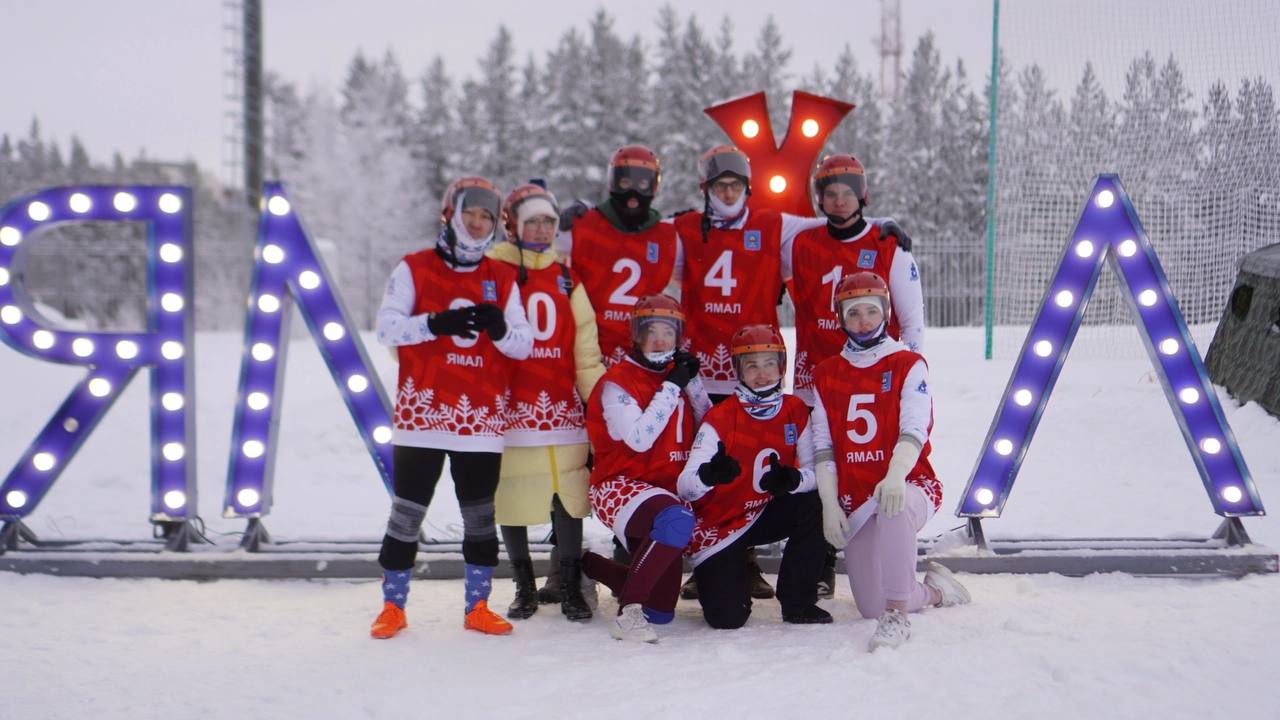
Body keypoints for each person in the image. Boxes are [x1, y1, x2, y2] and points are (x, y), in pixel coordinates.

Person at [369, 176, 533, 639]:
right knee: (406, 515)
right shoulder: (414, 267)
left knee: (480, 517)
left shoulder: (502, 276)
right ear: (451, 213)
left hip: (479, 420)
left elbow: (524, 345)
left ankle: (477, 607)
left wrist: (500, 328)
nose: (477, 223)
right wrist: (437, 323)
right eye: (470, 214)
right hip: (422, 418)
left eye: (486, 217)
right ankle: (392, 607)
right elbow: (387, 329)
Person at [786, 153, 925, 597]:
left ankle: (891, 544)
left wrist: (912, 371)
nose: (840, 201)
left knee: (870, 457)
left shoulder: (889, 244)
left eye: (848, 193)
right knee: (819, 461)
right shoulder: (803, 242)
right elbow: (767, 223)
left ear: (862, 195)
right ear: (820, 201)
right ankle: (823, 560)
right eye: (830, 194)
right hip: (819, 374)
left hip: (876, 373)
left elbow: (912, 318)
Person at [811, 272, 970, 651]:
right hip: (858, 496)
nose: (863, 321)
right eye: (853, 314)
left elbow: (914, 428)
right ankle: (934, 591)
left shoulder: (907, 362)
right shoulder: (826, 372)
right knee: (869, 606)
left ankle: (897, 615)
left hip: (910, 483)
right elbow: (823, 445)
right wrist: (830, 503)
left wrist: (896, 474)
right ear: (841, 318)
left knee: (892, 506)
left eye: (871, 311)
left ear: (885, 313)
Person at [488, 183, 605, 622]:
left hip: (559, 405)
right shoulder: (492, 269)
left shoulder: (566, 276)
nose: (540, 229)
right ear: (514, 225)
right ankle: (523, 586)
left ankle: (571, 584)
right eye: (531, 221)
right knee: (512, 492)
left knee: (567, 495)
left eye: (548, 222)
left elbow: (585, 348)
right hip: (511, 406)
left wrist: (601, 402)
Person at [676, 324, 831, 629]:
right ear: (738, 370)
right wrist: (709, 474)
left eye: (769, 364)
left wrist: (794, 480)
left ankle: (798, 601)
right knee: (727, 619)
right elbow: (685, 486)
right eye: (752, 366)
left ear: (781, 366)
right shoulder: (720, 417)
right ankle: (730, 572)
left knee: (817, 503)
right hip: (725, 522)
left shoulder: (795, 409)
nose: (762, 374)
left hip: (765, 511)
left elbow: (817, 473)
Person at [580, 294, 711, 642]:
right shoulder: (616, 382)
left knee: (663, 610)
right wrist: (672, 385)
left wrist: (693, 383)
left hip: (663, 490)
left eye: (668, 332)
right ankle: (629, 613)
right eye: (650, 331)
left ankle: (586, 565)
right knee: (678, 519)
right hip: (620, 486)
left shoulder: (677, 377)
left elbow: (709, 423)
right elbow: (640, 438)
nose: (659, 340)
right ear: (635, 335)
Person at [555, 144, 679, 367]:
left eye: (642, 184)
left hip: (640, 355)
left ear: (653, 186)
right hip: (585, 349)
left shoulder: (667, 235)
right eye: (625, 183)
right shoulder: (583, 225)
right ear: (613, 183)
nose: (633, 194)